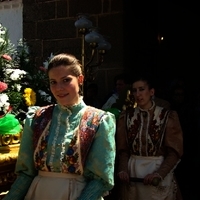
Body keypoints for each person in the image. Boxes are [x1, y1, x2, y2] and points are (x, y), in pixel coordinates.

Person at [3, 53, 116, 200]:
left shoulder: (98, 120)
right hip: (38, 193)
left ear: (80, 79)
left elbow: (101, 179)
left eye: (66, 80)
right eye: (53, 82)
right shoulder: (37, 117)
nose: (59, 88)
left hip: (78, 195)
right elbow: (26, 173)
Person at [116, 73, 183, 200]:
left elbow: (174, 152)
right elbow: (123, 150)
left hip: (158, 170)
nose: (138, 94)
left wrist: (159, 174)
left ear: (151, 92)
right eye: (134, 91)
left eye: (142, 89)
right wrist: (123, 170)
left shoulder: (166, 116)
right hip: (133, 173)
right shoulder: (127, 117)